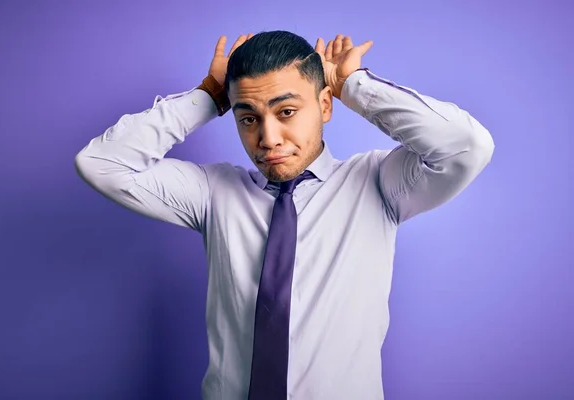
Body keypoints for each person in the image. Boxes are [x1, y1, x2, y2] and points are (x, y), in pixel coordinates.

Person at [75, 30, 494, 400]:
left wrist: (354, 86)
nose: (268, 138)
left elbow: (465, 146)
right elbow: (102, 164)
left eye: (287, 111)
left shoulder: (377, 183)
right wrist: (209, 96)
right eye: (248, 118)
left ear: (325, 106)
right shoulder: (212, 192)